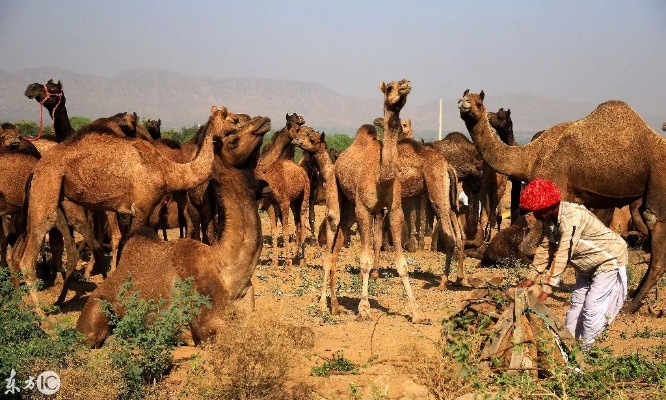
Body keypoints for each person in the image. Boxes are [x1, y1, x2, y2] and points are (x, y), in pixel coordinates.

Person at [516, 178, 628, 350]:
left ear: (549, 206)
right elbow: (546, 248)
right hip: (586, 264)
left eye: (537, 211)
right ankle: (569, 350)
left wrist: (547, 288)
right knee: (576, 307)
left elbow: (563, 253)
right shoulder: (549, 221)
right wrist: (531, 277)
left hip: (608, 259)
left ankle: (586, 352)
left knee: (591, 308)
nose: (535, 215)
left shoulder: (572, 217)